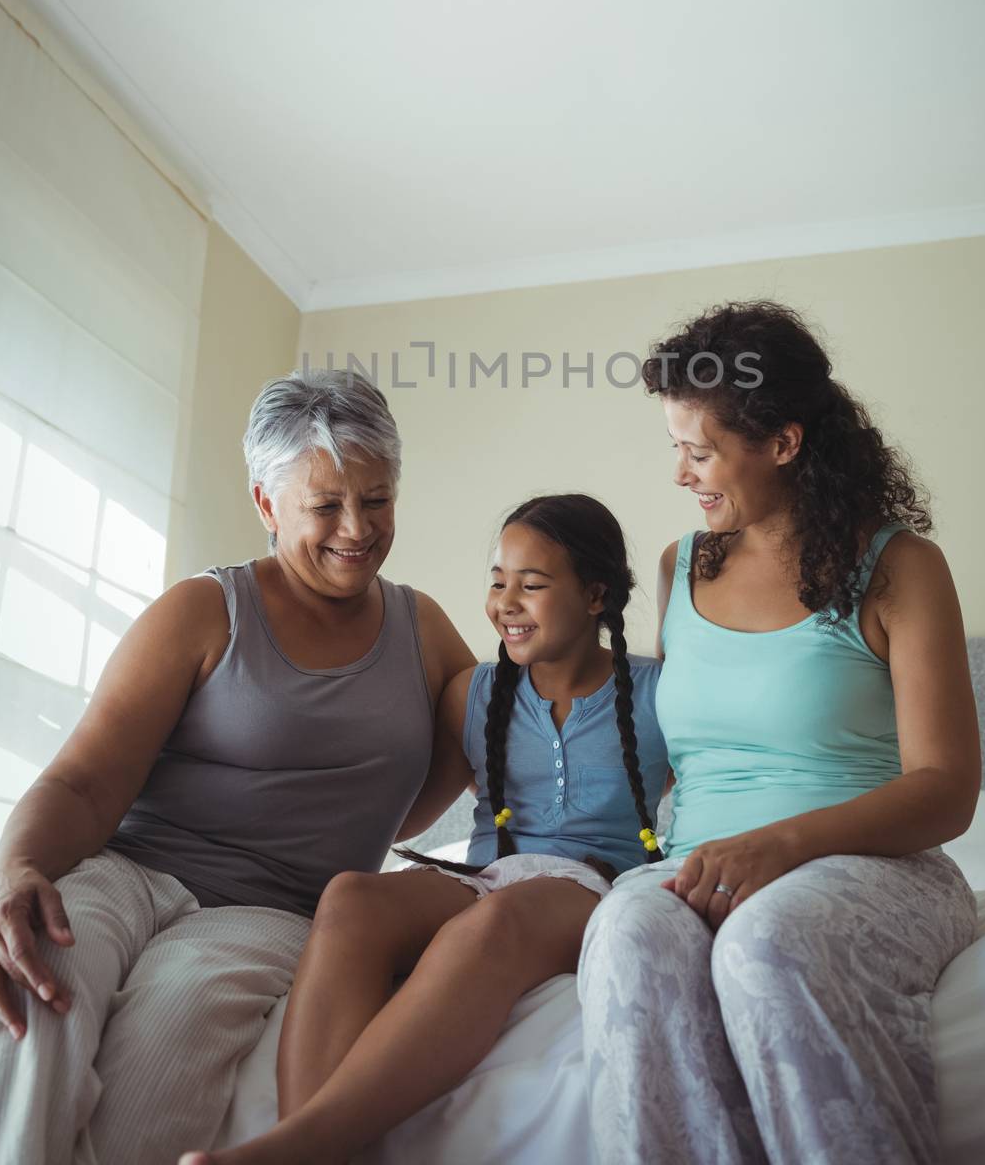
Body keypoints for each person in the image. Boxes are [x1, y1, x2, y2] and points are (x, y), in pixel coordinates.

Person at [0, 370, 474, 1165]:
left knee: (167, 1047)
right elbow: (82, 781)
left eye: (378, 499)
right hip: (129, 871)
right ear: (265, 504)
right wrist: (15, 869)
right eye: (325, 506)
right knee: (39, 985)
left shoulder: (422, 628)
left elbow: (492, 738)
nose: (356, 528)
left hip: (270, 911)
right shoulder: (203, 611)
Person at [578, 300, 981, 1165]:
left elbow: (946, 788)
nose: (681, 474)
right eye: (675, 450)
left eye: (699, 451)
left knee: (766, 944)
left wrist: (777, 846)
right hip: (698, 868)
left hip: (876, 868)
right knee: (623, 932)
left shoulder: (899, 568)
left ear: (783, 444)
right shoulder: (680, 567)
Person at [177, 492, 670, 1165]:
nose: (505, 602)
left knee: (494, 925)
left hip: (591, 887)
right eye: (497, 582)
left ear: (593, 596)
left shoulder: (657, 694)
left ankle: (300, 1144)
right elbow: (404, 808)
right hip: (489, 876)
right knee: (354, 895)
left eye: (531, 584)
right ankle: (310, 1142)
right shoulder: (473, 694)